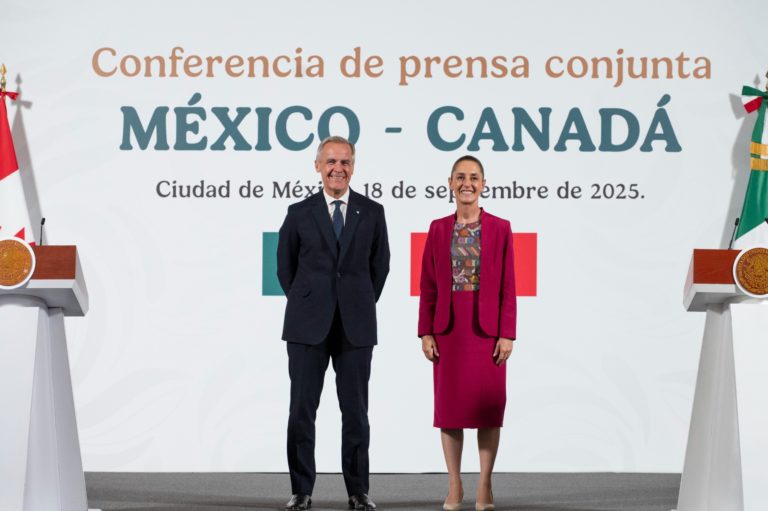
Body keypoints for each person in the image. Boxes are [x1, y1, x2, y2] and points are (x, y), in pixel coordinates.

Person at [277, 136, 390, 511]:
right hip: (307, 325)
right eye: (330, 161)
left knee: (356, 413)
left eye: (344, 162)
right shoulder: (298, 212)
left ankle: (358, 491)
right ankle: (301, 490)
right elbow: (285, 267)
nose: (337, 168)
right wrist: (309, 301)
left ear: (353, 167)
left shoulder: (372, 212)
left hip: (355, 326)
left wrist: (356, 301)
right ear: (317, 166)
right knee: (301, 410)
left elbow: (380, 267)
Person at [418, 155, 516, 511]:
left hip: (487, 332)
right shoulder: (437, 228)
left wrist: (507, 333)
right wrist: (425, 331)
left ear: (483, 184)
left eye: (474, 177)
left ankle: (485, 484)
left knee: (488, 411)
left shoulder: (501, 228)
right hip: (448, 330)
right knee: (450, 411)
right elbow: (428, 284)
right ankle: (455, 485)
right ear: (450, 183)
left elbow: (509, 285)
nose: (467, 183)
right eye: (460, 177)